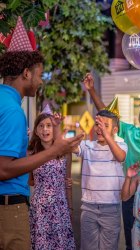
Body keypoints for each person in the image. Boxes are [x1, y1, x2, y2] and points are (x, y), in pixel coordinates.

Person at [0, 17, 83, 250]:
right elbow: (4, 169)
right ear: (26, 73)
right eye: (39, 75)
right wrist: (55, 151)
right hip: (8, 209)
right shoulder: (12, 110)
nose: (39, 82)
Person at [83, 71, 140, 249]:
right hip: (130, 188)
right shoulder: (130, 131)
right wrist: (92, 90)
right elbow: (107, 116)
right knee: (132, 235)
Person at [74, 98, 128, 250]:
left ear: (115, 130)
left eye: (106, 126)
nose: (100, 129)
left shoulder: (120, 145)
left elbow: (121, 157)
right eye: (98, 124)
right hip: (89, 208)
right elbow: (71, 148)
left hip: (111, 208)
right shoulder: (87, 146)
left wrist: (107, 135)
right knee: (88, 247)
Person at [28, 108, 75, 250]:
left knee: (61, 244)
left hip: (60, 208)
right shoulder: (31, 153)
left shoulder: (65, 153)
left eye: (49, 125)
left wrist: (70, 207)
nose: (45, 129)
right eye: (41, 126)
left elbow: (68, 182)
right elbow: (30, 181)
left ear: (54, 128)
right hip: (40, 209)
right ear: (36, 131)